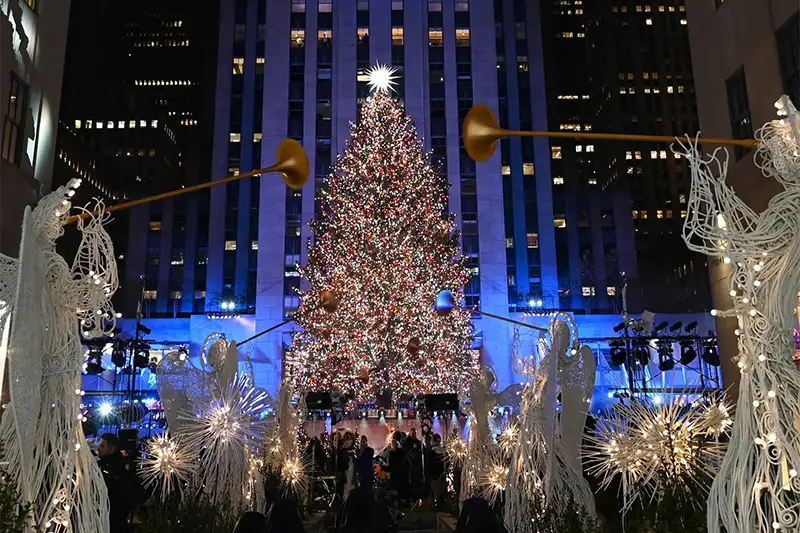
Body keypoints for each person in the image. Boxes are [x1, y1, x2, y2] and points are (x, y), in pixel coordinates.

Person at [97, 433, 136, 533]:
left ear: (112, 449)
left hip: (113, 515)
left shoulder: (117, 467)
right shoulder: (104, 463)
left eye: (102, 446)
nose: (98, 448)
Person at [425, 434, 446, 508]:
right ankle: (439, 504)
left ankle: (436, 505)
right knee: (440, 490)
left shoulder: (431, 451)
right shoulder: (443, 451)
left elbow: (428, 464)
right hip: (442, 474)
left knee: (435, 491)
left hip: (434, 475)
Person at [337, 432, 357, 499]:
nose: (347, 441)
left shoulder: (352, 455)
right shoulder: (342, 454)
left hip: (349, 480)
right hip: (345, 480)